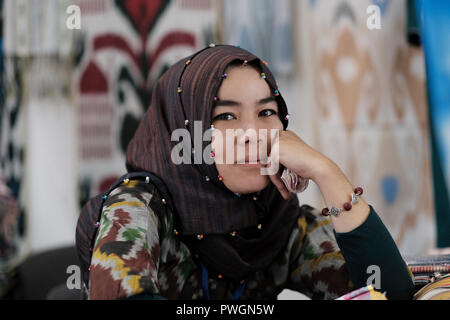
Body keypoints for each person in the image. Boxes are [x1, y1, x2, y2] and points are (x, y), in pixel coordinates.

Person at [83, 44, 415, 300]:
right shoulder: (138, 207)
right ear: (184, 127)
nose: (252, 133)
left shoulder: (277, 220)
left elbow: (388, 293)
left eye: (267, 112)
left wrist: (326, 172)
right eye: (225, 116)